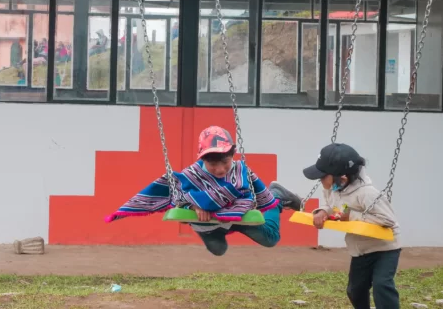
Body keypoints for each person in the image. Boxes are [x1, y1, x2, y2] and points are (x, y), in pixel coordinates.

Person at [106, 126, 302, 256]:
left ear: (233, 154)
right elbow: (177, 198)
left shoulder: (241, 171)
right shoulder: (192, 175)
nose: (219, 169)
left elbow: (253, 197)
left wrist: (231, 204)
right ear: (203, 159)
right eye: (212, 164)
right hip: (208, 225)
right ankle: (219, 231)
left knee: (270, 239)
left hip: (237, 216)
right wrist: (194, 205)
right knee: (218, 249)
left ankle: (277, 193)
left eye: (224, 162)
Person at [303, 143, 401, 309]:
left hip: (384, 248)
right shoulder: (333, 189)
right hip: (361, 250)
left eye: (322, 176)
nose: (319, 180)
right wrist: (322, 212)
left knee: (382, 286)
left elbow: (388, 220)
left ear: (342, 178)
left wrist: (352, 216)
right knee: (355, 290)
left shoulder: (367, 193)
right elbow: (331, 205)